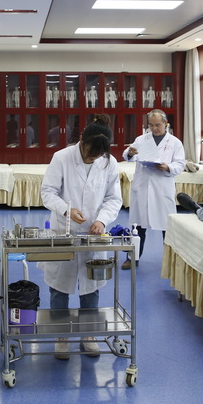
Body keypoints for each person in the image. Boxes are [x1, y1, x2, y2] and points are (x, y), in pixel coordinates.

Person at [40, 113, 122, 360]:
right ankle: (61, 335)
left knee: (90, 287)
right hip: (63, 230)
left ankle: (88, 334)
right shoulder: (62, 157)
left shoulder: (109, 162)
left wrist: (101, 220)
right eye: (89, 153)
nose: (92, 158)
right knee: (59, 287)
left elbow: (113, 198)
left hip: (92, 234)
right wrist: (66, 209)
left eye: (97, 155)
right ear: (82, 141)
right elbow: (48, 192)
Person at [121, 110, 185, 269]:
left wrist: (167, 167)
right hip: (142, 187)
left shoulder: (175, 142)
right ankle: (132, 258)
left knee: (167, 227)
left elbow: (180, 164)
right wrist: (130, 152)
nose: (154, 128)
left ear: (165, 123)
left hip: (162, 188)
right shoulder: (141, 139)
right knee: (137, 227)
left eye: (158, 125)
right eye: (151, 125)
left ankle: (172, 262)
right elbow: (128, 155)